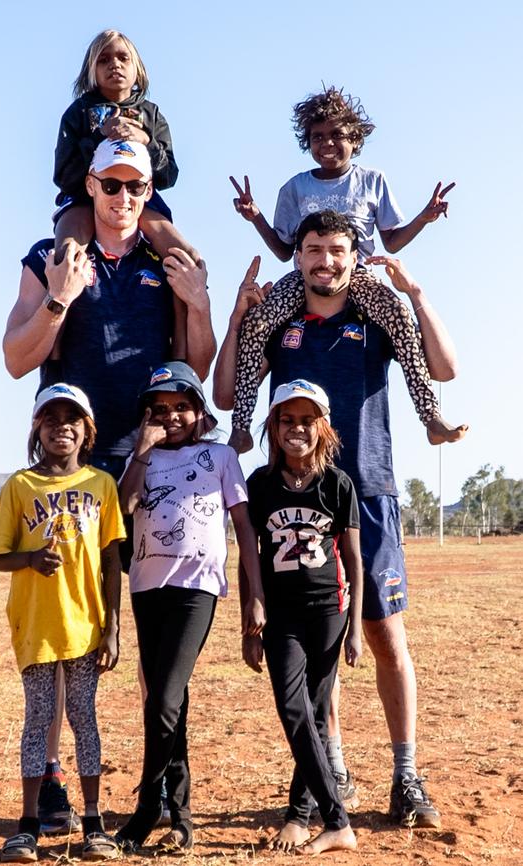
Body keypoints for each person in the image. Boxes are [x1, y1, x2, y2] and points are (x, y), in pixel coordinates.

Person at [214, 210, 457, 828]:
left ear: (355, 254)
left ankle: (406, 775)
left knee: (383, 637)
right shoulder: (278, 320)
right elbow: (227, 394)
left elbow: (443, 370)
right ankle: (335, 772)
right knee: (320, 648)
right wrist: (241, 316)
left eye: (338, 249)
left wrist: (417, 296)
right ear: (296, 256)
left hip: (368, 493)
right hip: (296, 502)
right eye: (313, 249)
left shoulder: (379, 314)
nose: (326, 260)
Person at [3, 138, 216, 833]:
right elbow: (15, 357)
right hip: (71, 471)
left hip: (151, 463)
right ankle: (58, 791)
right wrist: (60, 302)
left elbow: (197, 364)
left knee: (154, 643)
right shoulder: (52, 256)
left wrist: (200, 306)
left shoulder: (166, 258)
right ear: (90, 185)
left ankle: (161, 793)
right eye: (113, 184)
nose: (125, 199)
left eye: (138, 187)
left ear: (151, 192)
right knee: (65, 637)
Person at [228, 85, 466, 452]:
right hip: (304, 275)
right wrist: (255, 216)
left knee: (401, 319)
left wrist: (425, 217)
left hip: (357, 273)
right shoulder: (295, 187)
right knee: (257, 324)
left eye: (337, 135)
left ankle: (431, 417)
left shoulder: (372, 181)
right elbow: (281, 249)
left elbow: (392, 241)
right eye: (317, 136)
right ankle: (241, 425)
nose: (327, 143)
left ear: (356, 139)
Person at [115, 362, 266, 852]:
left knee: (161, 700)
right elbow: (124, 507)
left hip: (195, 588)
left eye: (182, 407)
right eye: (160, 410)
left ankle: (146, 809)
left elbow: (244, 529)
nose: (172, 416)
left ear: (200, 412)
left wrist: (255, 596)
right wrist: (140, 450)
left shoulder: (220, 457)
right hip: (145, 587)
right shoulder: (140, 460)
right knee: (167, 701)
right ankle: (181, 817)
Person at [0, 383, 125, 862]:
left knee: (84, 718)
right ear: (36, 429)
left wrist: (112, 626)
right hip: (37, 624)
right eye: (50, 419)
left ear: (87, 430)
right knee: (39, 720)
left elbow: (111, 560)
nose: (61, 426)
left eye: (71, 419)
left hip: (86, 625)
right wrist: (28, 558)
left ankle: (93, 823)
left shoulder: (101, 485)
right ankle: (27, 825)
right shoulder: (20, 487)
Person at [241, 379, 362, 854]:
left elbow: (354, 561)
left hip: (328, 613)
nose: (296, 428)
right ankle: (337, 819)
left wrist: (353, 628)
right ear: (273, 427)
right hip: (280, 615)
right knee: (294, 710)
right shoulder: (260, 484)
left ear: (323, 428)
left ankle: (301, 815)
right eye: (287, 420)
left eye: (306, 420)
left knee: (311, 711)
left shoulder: (338, 483)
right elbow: (248, 556)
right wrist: (249, 621)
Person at [53, 29, 198, 355]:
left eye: (122, 58)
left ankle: (181, 353)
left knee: (185, 260)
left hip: (141, 199)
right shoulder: (78, 114)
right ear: (90, 70)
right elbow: (64, 175)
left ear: (138, 68)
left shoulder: (152, 114)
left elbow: (169, 174)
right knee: (65, 255)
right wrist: (98, 140)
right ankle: (55, 354)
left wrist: (145, 140)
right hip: (84, 198)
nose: (113, 65)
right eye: (103, 59)